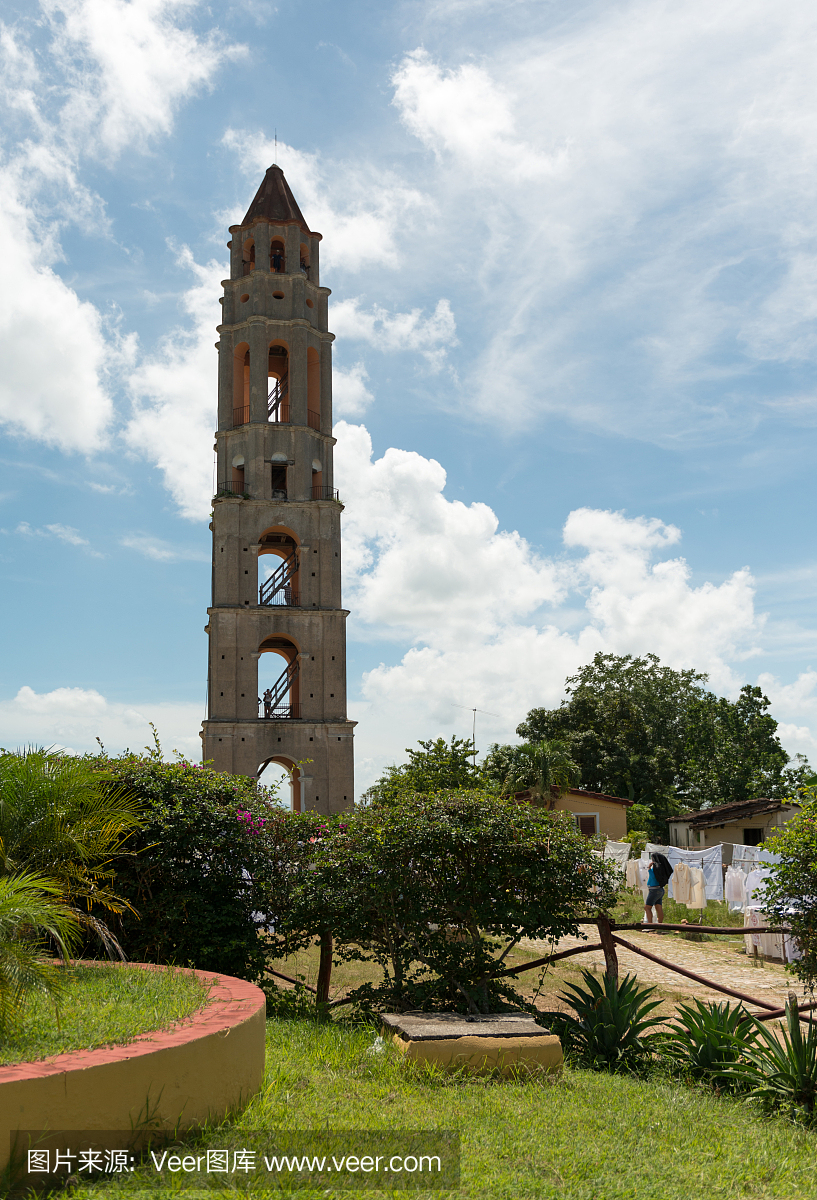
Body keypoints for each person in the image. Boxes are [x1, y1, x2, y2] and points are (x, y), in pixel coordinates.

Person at [644, 852, 673, 928]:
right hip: (660, 889)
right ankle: (659, 925)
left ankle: (650, 926)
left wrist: (649, 868)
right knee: (658, 907)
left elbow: (653, 877)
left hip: (654, 890)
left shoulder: (656, 869)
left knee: (647, 907)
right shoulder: (662, 869)